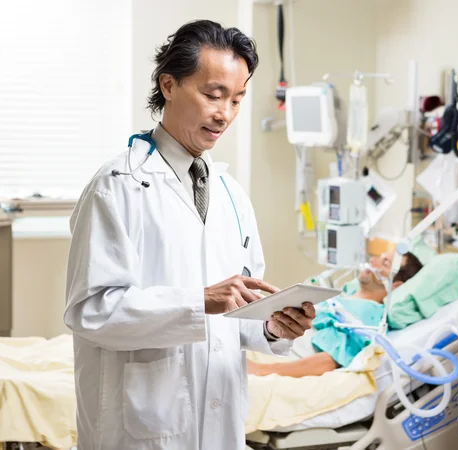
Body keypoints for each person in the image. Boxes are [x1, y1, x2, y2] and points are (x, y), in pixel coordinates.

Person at [63, 20, 315, 450]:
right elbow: (90, 311)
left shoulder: (232, 195)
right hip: (140, 427)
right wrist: (198, 301)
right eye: (213, 95)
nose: (225, 114)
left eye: (236, 99)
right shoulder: (117, 185)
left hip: (219, 421)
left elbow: (242, 310)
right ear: (169, 85)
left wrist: (274, 326)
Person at [247, 251, 423, 378]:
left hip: (278, 358)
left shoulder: (370, 314)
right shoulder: (341, 297)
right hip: (261, 344)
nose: (373, 261)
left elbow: (328, 361)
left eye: (384, 263)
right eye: (379, 256)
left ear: (396, 285)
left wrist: (262, 370)